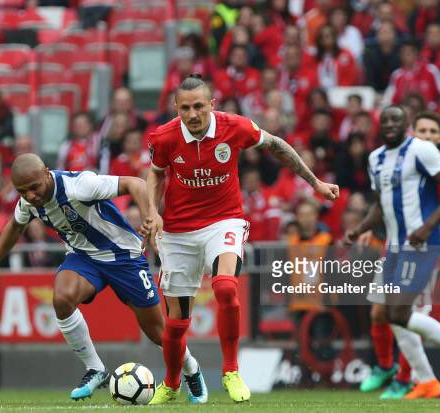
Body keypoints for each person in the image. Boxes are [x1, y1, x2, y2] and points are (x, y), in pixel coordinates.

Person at [143, 74, 339, 404]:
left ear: (212, 105)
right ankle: (172, 383)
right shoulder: (164, 137)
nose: (193, 114)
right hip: (178, 231)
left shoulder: (235, 127)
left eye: (199, 107)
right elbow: (156, 173)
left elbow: (277, 145)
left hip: (224, 221)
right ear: (176, 108)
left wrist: (315, 182)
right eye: (185, 108)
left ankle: (231, 371)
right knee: (176, 321)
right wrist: (153, 211)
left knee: (224, 287)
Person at [0, 154, 205, 402]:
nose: (30, 195)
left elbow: (135, 183)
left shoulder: (80, 186)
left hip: (124, 256)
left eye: (34, 187)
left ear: (46, 173)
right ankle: (95, 368)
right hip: (84, 257)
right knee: (62, 299)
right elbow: (15, 226)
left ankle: (191, 369)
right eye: (22, 191)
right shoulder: (29, 202)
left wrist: (150, 217)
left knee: (157, 332)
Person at [346, 106, 440, 400]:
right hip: (394, 247)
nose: (390, 124)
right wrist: (359, 229)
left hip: (420, 244)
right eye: (385, 120)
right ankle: (425, 380)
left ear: (406, 125)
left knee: (400, 312)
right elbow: (381, 204)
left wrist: (428, 225)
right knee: (387, 313)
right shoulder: (375, 158)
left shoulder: (421, 150)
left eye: (396, 120)